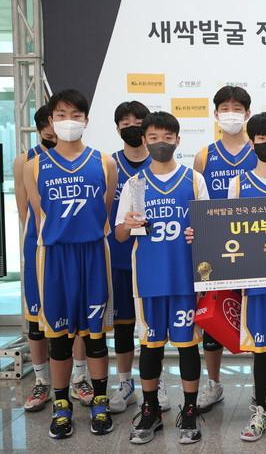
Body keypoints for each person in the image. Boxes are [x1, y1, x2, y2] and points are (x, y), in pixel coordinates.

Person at [200, 111, 266, 442]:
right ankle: (260, 410)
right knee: (261, 350)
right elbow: (227, 230)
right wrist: (200, 237)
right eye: (261, 138)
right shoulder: (238, 183)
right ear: (252, 142)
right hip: (255, 285)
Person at [23, 89, 118, 438]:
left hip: (93, 253)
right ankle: (61, 404)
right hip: (55, 257)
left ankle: (100, 401)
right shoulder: (34, 166)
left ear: (86, 120)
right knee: (59, 339)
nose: (68, 121)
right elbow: (39, 216)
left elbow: (104, 210)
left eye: (76, 115)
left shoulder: (104, 162)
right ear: (51, 121)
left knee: (95, 336)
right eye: (61, 115)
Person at [116, 111, 207, 444]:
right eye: (154, 137)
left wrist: (200, 233)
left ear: (178, 141)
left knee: (187, 346)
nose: (161, 143)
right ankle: (150, 409)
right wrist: (129, 224)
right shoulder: (135, 184)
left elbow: (208, 228)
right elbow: (120, 234)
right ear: (144, 140)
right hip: (149, 280)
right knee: (150, 347)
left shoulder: (193, 180)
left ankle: (190, 410)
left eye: (168, 137)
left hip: (184, 279)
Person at [192, 85, 266, 412]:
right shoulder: (204, 155)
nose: (231, 114)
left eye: (237, 108)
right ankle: (214, 384)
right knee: (215, 318)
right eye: (225, 108)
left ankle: (262, 389)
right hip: (218, 249)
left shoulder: (260, 150)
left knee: (255, 318)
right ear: (215, 114)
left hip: (258, 247)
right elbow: (198, 203)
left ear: (247, 114)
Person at [15, 105, 95, 412]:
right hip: (42, 247)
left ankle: (80, 377)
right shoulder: (27, 161)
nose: (59, 126)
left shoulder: (88, 160)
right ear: (44, 125)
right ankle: (41, 381)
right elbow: (26, 212)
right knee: (37, 318)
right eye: (56, 120)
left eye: (72, 117)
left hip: (75, 248)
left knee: (79, 317)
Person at [107, 101, 171, 414]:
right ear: (117, 127)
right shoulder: (110, 164)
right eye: (125, 121)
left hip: (154, 261)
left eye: (138, 121)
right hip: (120, 257)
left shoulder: (162, 163)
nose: (131, 126)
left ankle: (157, 382)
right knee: (123, 325)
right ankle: (125, 383)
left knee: (155, 328)